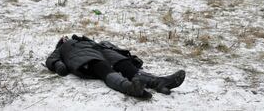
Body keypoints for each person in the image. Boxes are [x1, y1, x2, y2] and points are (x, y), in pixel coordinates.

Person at [46, 35, 185, 99]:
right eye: (63, 38)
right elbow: (52, 60)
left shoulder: (86, 40)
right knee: (102, 67)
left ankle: (158, 82)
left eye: (66, 37)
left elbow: (108, 45)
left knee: (123, 64)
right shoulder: (63, 48)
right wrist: (58, 65)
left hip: (101, 51)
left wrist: (129, 58)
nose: (66, 37)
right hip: (85, 58)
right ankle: (130, 88)